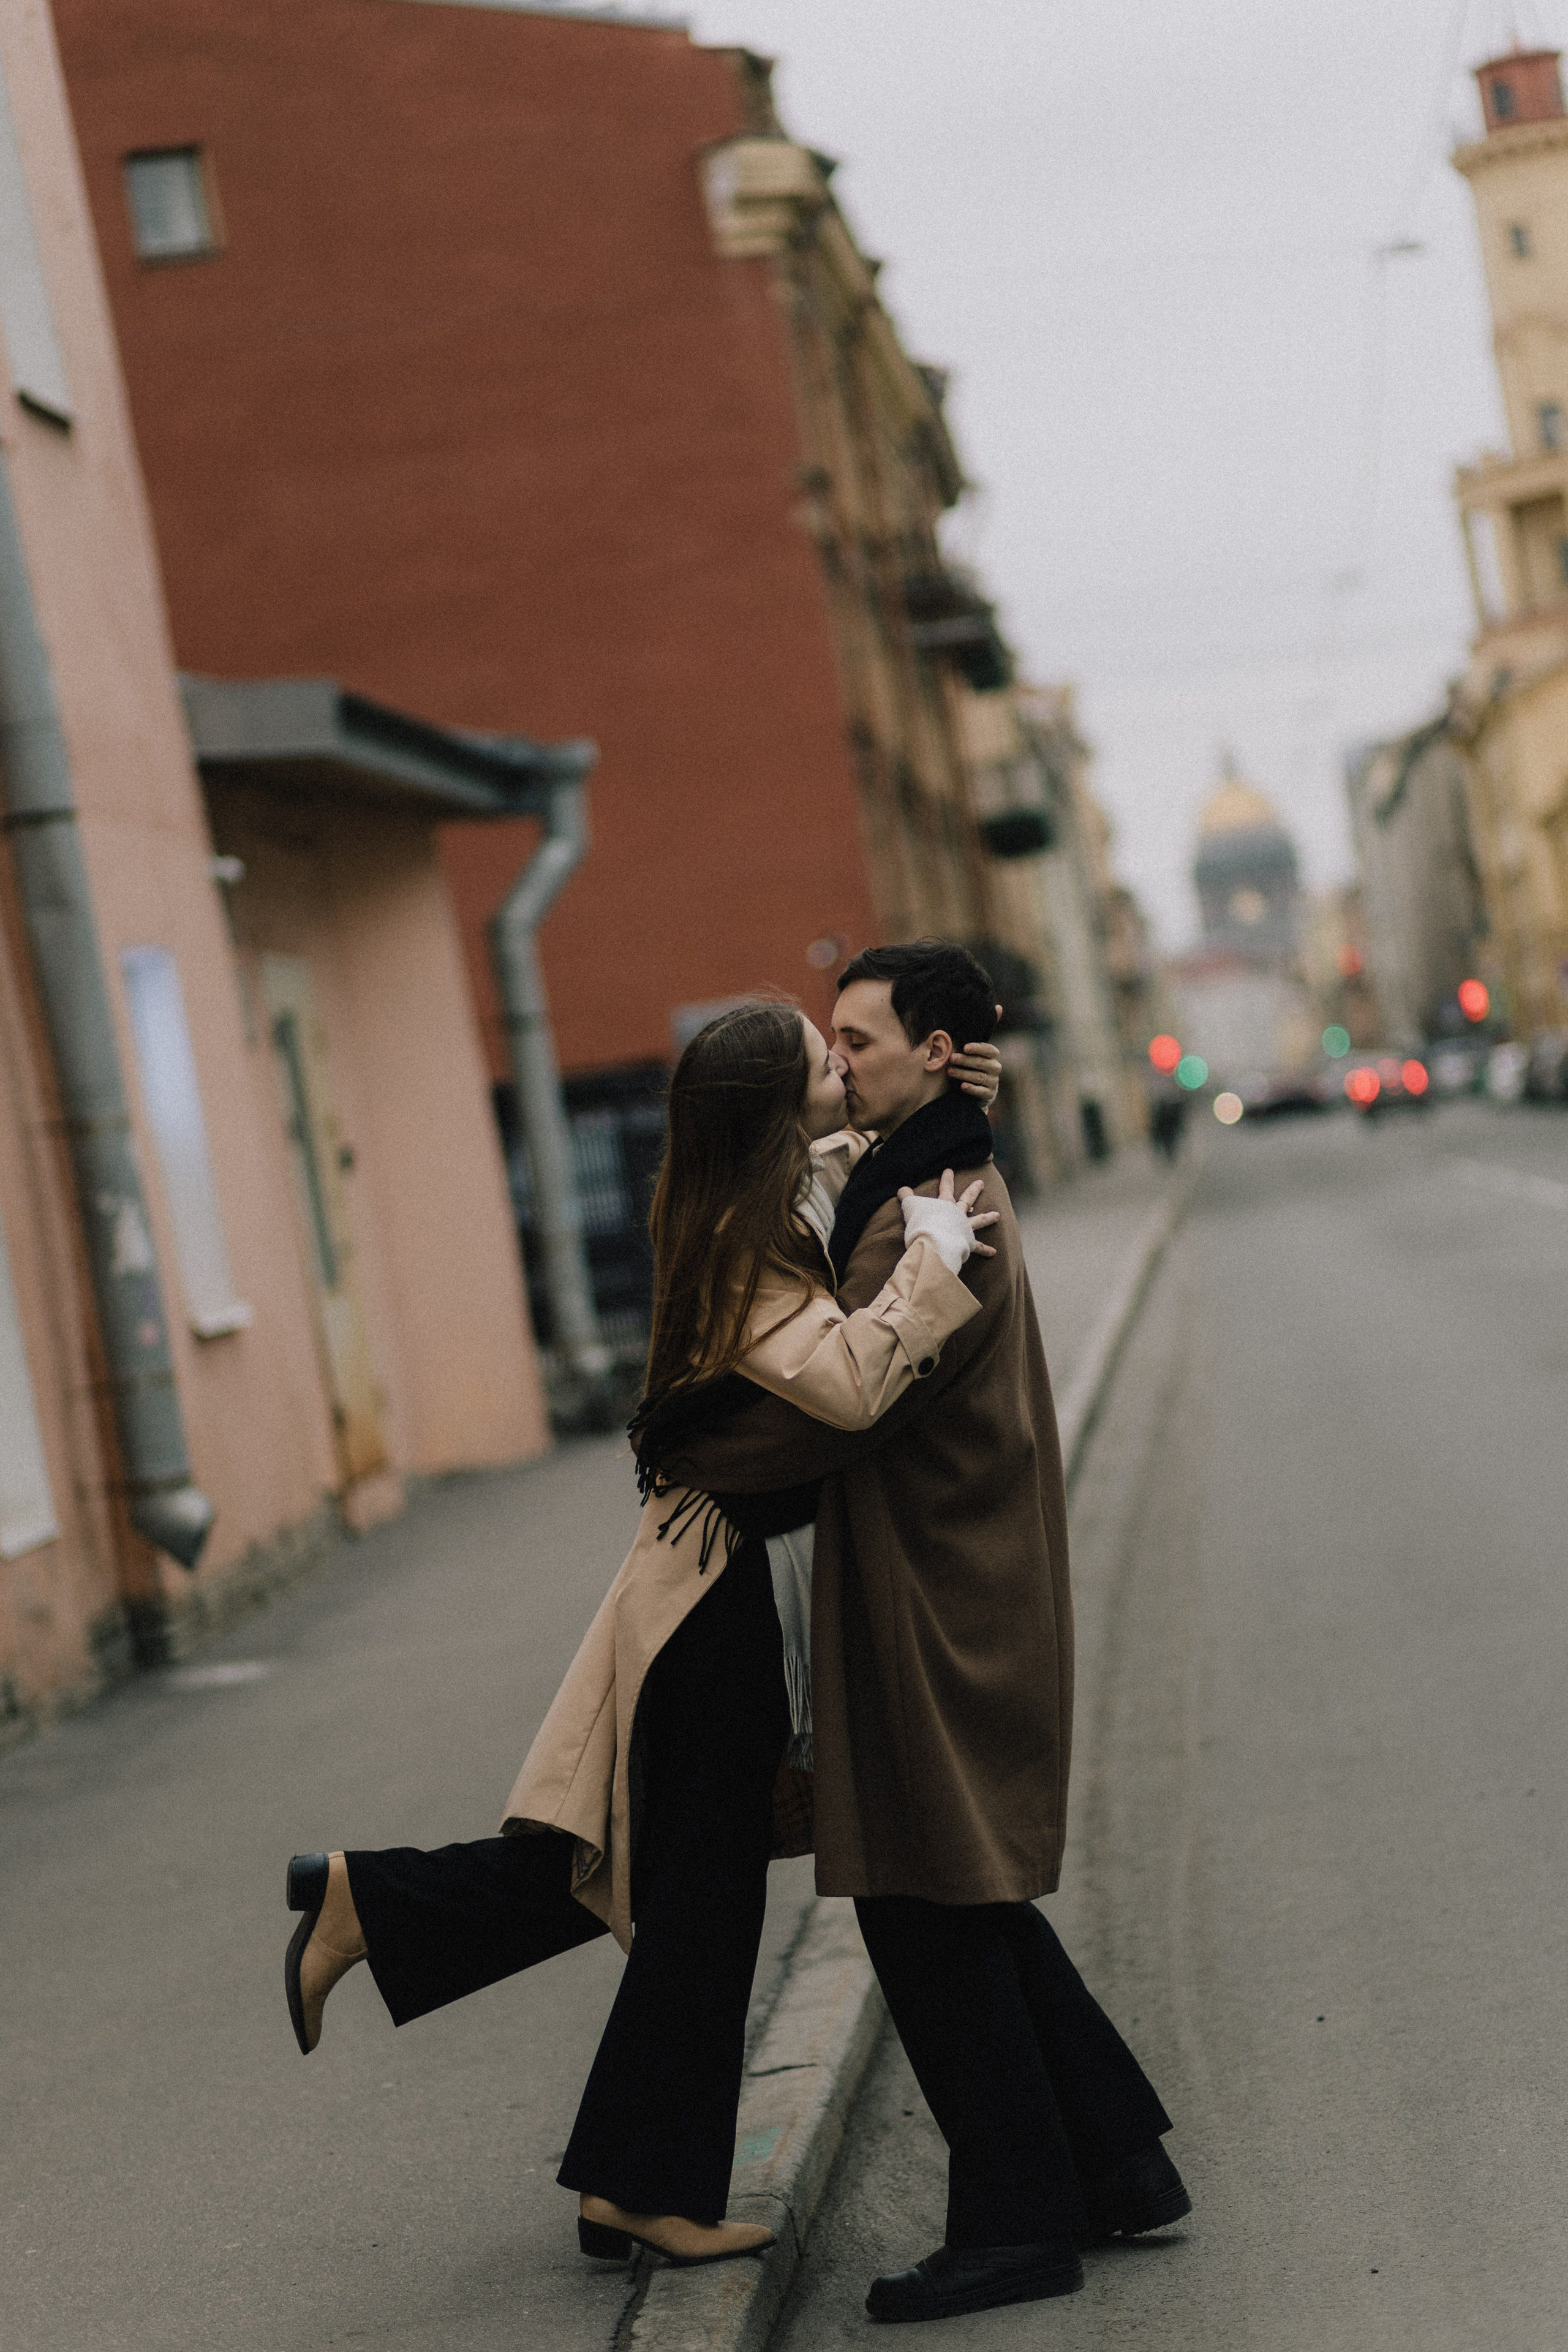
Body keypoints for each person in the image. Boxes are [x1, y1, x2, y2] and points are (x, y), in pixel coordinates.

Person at [281, 1000, 1002, 2272]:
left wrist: (952, 1111)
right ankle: (630, 2175)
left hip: (713, 1588)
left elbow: (858, 1169)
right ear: (774, 1105)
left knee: (663, 1877)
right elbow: (842, 1385)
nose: (839, 1065)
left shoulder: (757, 1202)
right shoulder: (738, 1248)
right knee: (696, 1903)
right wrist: (933, 1268)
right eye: (817, 1054)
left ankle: (387, 1916)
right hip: (710, 1608)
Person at [639, 940, 1188, 2325]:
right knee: (961, 1891)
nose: (838, 1058)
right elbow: (853, 1200)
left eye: (857, 1039)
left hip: (936, 1594)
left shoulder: (927, 1209)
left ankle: (1016, 2221)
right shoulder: (925, 1168)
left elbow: (841, 1395)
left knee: (916, 1898)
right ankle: (1116, 2161)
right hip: (941, 1576)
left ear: (928, 1054)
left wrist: (687, 1442)